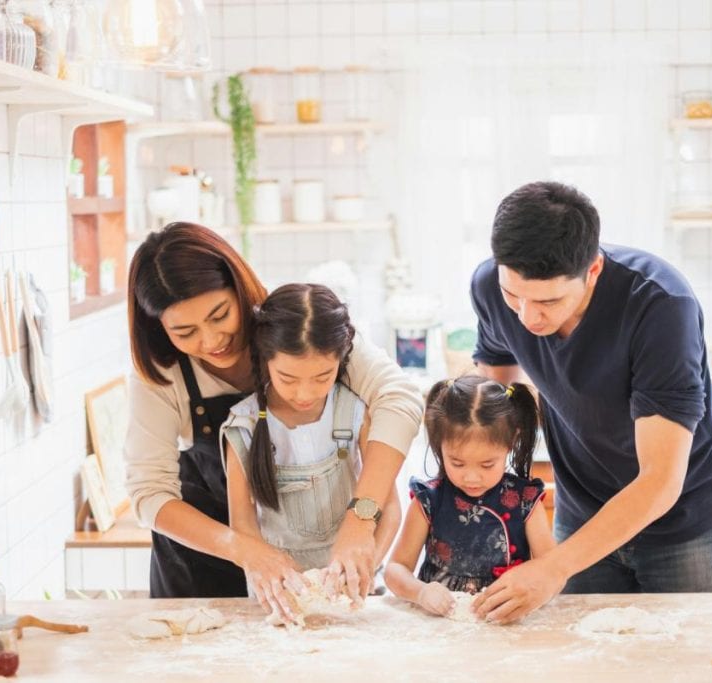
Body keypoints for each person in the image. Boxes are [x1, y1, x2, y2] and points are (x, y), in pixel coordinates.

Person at [468, 182, 712, 624]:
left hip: (685, 523)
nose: (526, 317)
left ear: (593, 269)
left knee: (698, 660)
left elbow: (659, 480)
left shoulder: (660, 306)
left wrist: (553, 567)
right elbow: (493, 399)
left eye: (548, 301)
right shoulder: (489, 285)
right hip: (583, 511)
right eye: (513, 296)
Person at [124, 222, 422, 601]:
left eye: (220, 315)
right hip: (197, 567)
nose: (211, 340)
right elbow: (149, 493)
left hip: (317, 567)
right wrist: (245, 549)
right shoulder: (160, 377)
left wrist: (360, 522)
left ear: (239, 286)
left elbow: (399, 398)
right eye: (185, 332)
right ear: (158, 327)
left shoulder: (301, 331)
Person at [222, 283, 402, 620]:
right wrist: (268, 575)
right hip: (277, 601)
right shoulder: (242, 427)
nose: (305, 393)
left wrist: (366, 567)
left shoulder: (354, 412)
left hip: (353, 600)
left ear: (342, 358)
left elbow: (390, 508)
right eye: (287, 378)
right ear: (265, 359)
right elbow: (243, 526)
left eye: (323, 376)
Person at [385, 375, 554, 618]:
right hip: (441, 622)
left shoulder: (525, 500)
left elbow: (552, 569)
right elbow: (395, 569)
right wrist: (421, 593)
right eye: (457, 463)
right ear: (439, 443)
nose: (471, 478)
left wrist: (534, 588)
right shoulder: (430, 499)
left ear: (511, 443)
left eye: (487, 464)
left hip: (507, 619)